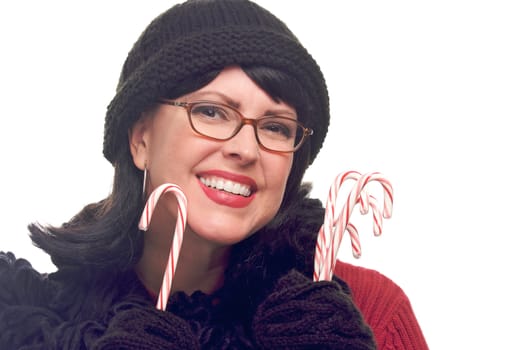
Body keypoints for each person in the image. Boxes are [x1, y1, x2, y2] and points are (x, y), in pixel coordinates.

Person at [0, 0, 428, 349]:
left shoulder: (367, 312)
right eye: (211, 111)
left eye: (276, 126)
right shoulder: (34, 324)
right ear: (140, 138)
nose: (245, 149)